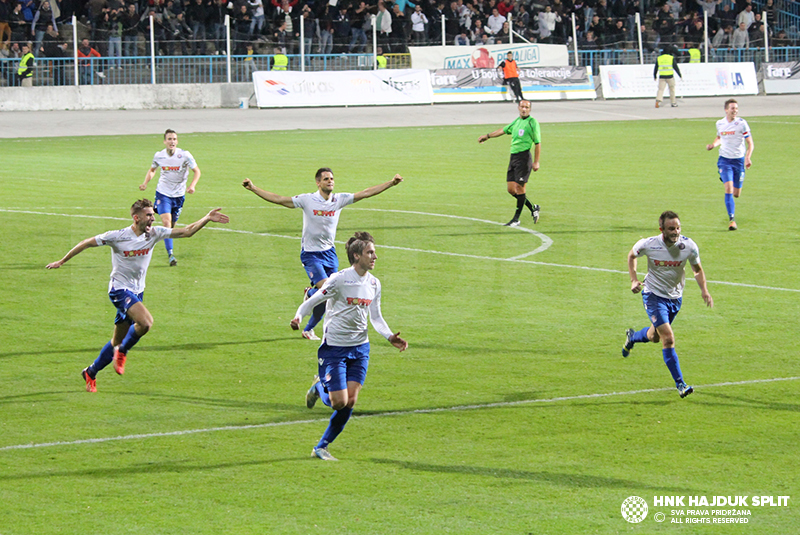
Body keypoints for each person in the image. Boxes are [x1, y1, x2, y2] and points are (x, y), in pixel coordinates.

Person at [46, 199, 229, 392]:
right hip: (119, 290)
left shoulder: (154, 233)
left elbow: (187, 231)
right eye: (149, 215)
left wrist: (207, 218)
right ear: (136, 218)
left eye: (153, 214)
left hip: (136, 292)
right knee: (146, 323)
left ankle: (91, 372)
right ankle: (122, 352)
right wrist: (62, 261)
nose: (153, 218)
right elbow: (86, 243)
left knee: (116, 341)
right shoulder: (118, 236)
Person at [242, 169, 404, 341]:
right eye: (326, 179)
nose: (330, 181)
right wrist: (253, 188)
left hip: (330, 253)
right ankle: (311, 294)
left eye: (332, 178)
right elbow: (280, 200)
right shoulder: (307, 200)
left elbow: (365, 193)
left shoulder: (339, 199)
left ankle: (309, 328)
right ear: (318, 183)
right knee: (328, 287)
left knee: (328, 294)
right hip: (311, 255)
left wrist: (390, 183)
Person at [291, 231, 408, 461]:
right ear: (356, 256)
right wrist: (297, 318)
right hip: (334, 348)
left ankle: (321, 447)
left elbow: (375, 316)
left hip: (360, 349)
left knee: (350, 402)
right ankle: (318, 388)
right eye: (370, 252)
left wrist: (388, 337)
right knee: (339, 402)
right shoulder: (339, 279)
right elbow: (314, 299)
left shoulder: (374, 283)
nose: (375, 256)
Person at [622, 210, 713, 398]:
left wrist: (704, 290)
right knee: (668, 338)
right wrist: (633, 280)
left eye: (678, 228)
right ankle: (681, 385)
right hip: (653, 296)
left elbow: (697, 270)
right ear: (661, 229)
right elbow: (632, 256)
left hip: (675, 299)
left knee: (655, 337)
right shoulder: (648, 244)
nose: (675, 232)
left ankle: (632, 337)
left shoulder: (688, 246)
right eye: (671, 228)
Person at [139, 129, 202, 266]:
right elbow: (152, 170)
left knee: (172, 228)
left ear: (177, 141)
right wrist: (145, 183)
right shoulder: (159, 156)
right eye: (169, 139)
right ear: (165, 141)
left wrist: (192, 185)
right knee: (166, 224)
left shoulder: (185, 155)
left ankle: (151, 235)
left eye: (174, 139)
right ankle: (171, 255)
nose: (172, 141)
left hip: (179, 196)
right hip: (163, 193)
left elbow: (197, 171)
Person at [477, 100, 541, 227]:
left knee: (520, 188)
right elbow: (503, 130)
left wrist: (536, 162)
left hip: (524, 158)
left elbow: (538, 143)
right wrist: (487, 136)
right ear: (518, 107)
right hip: (513, 158)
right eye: (522, 106)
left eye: (527, 107)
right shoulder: (517, 122)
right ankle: (533, 207)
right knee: (511, 190)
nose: (524, 109)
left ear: (530, 109)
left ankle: (516, 219)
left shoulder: (532, 123)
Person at [706, 98, 754, 231]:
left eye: (736, 108)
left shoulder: (742, 124)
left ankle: (728, 178)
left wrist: (747, 158)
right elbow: (720, 137)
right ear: (726, 109)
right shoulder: (720, 123)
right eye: (733, 108)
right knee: (729, 189)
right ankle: (732, 220)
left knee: (737, 193)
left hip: (738, 161)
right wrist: (713, 145)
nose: (735, 111)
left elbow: (750, 143)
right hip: (724, 160)